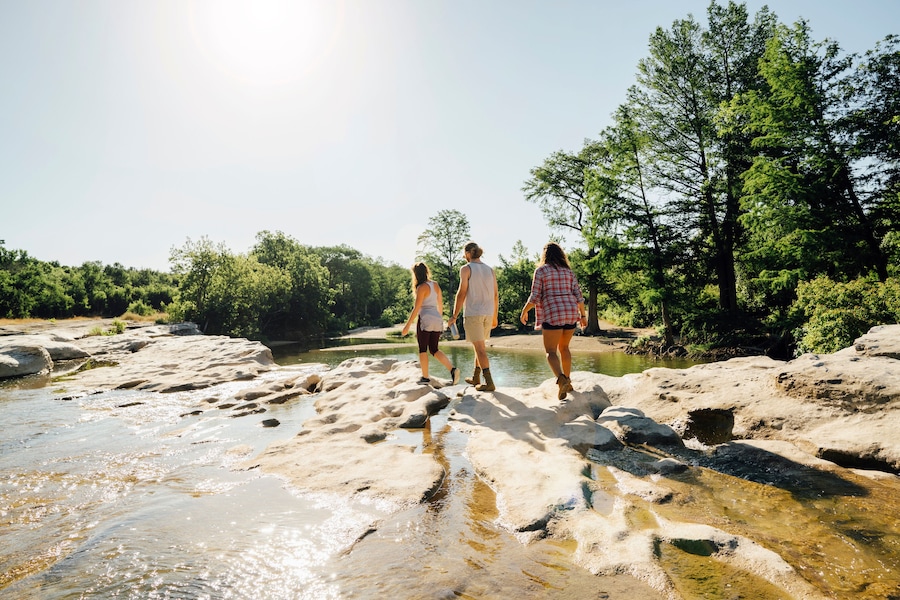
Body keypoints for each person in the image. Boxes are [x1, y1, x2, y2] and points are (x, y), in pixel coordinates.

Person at [520, 242, 587, 400]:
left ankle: (561, 379)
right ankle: (568, 382)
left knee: (550, 351)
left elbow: (535, 296)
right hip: (571, 312)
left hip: (553, 312)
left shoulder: (541, 271)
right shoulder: (568, 272)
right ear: (561, 254)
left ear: (544, 255)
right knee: (564, 348)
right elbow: (579, 295)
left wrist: (524, 311)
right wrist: (583, 316)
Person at [449, 241, 499, 392]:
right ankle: (476, 377)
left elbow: (462, 292)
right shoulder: (489, 269)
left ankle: (489, 382)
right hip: (488, 312)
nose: (464, 256)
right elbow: (496, 294)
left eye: (464, 253)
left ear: (468, 253)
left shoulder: (466, 268)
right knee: (480, 346)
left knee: (480, 349)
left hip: (474, 312)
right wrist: (495, 316)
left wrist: (454, 315)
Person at [401, 262, 460, 385]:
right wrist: (439, 321)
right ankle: (452, 369)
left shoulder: (421, 287)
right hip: (437, 319)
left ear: (416, 275)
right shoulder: (435, 285)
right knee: (434, 349)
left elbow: (416, 308)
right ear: (426, 271)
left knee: (423, 349)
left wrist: (407, 326)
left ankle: (425, 377)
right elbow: (440, 304)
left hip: (425, 320)